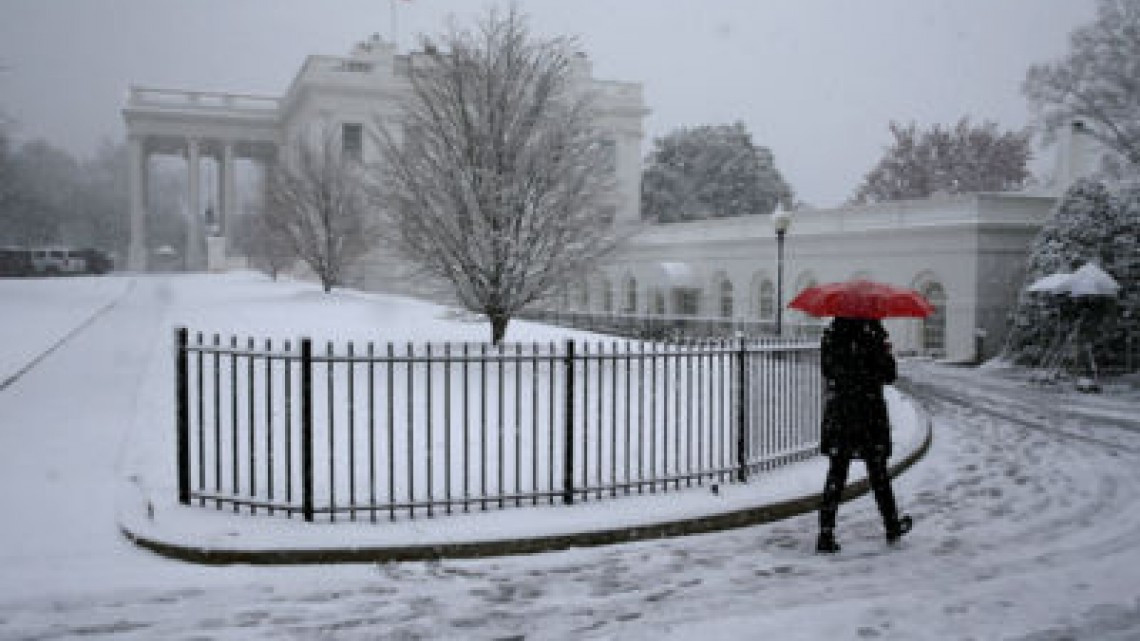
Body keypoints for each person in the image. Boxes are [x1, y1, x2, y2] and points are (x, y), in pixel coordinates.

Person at [816, 317, 912, 553]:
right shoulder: (874, 334)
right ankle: (891, 524)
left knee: (837, 473)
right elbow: (889, 375)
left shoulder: (833, 333)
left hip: (841, 412)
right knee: (878, 473)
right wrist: (885, 354)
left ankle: (825, 533)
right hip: (869, 413)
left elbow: (828, 371)